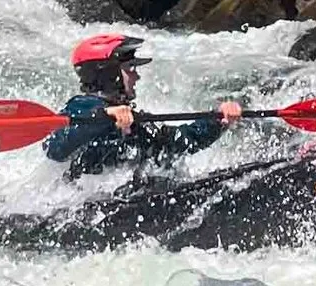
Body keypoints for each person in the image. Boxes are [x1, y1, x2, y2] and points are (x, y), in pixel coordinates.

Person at [46, 31, 245, 181]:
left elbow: (179, 142)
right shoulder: (81, 107)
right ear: (107, 74)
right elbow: (56, 147)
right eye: (130, 68)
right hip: (87, 209)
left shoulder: (134, 121)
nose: (136, 76)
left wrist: (218, 120)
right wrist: (104, 116)